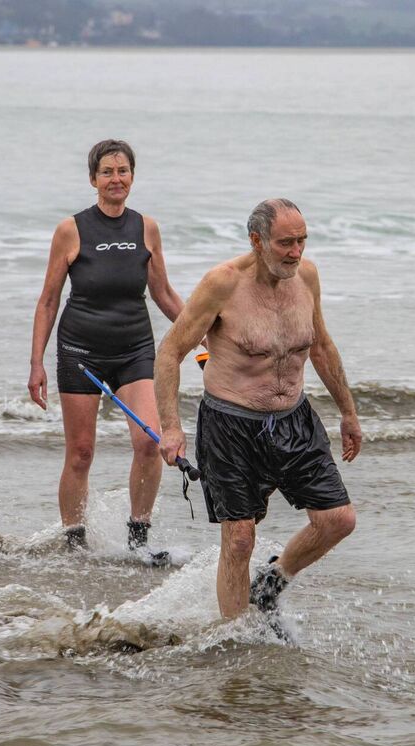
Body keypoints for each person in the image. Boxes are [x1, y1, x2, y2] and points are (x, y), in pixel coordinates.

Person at [154, 198, 361, 619]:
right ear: (256, 240)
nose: (296, 252)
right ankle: (238, 635)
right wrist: (171, 427)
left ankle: (273, 581)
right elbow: (170, 352)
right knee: (239, 539)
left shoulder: (307, 277)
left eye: (302, 240)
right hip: (231, 424)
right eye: (286, 242)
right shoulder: (223, 283)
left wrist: (349, 413)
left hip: (294, 420)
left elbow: (320, 346)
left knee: (338, 520)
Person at [28, 139, 184, 559]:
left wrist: (202, 333)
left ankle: (138, 540)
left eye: (123, 171)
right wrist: (36, 363)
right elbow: (48, 300)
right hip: (80, 350)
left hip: (134, 348)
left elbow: (163, 293)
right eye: (107, 172)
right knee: (81, 452)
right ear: (93, 178)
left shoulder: (146, 228)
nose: (116, 179)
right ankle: (75, 543)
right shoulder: (71, 230)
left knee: (149, 443)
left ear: (132, 175)